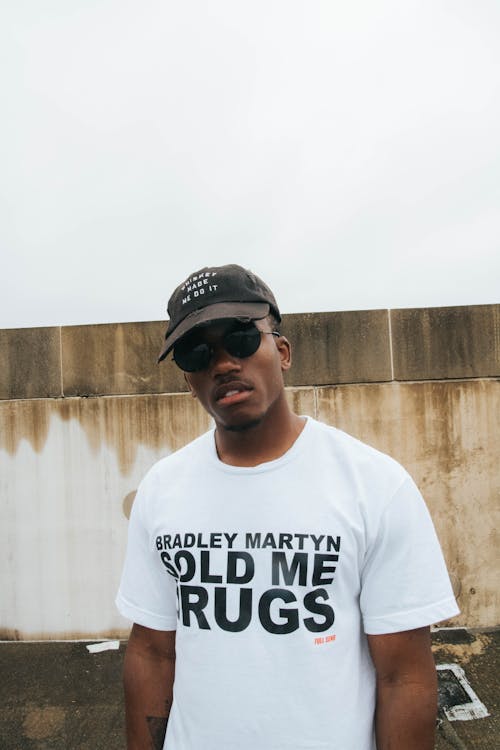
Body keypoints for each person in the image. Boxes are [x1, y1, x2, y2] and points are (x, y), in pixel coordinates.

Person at [116, 264, 459, 750]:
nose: (223, 364)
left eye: (239, 339)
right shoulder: (162, 490)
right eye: (197, 353)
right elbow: (152, 653)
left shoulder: (375, 485)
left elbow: (404, 677)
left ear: (282, 351)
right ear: (189, 382)